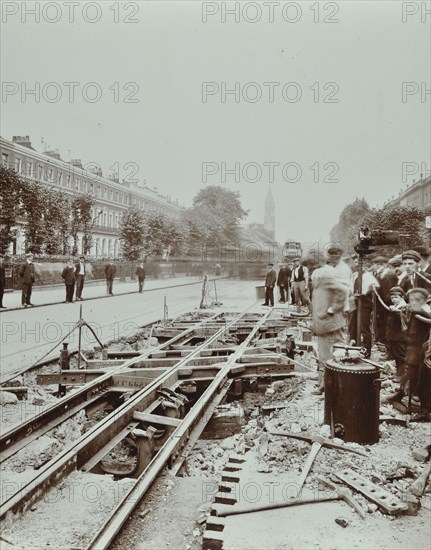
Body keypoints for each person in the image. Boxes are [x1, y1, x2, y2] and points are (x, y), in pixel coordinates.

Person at [311, 263, 349, 394]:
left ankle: (328, 385)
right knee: (330, 354)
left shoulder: (324, 274)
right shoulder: (318, 273)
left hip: (329, 324)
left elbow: (343, 291)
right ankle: (326, 383)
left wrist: (333, 309)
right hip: (325, 323)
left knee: (330, 355)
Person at [348, 255, 379, 357]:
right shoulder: (354, 275)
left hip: (365, 303)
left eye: (359, 262)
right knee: (353, 325)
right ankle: (354, 347)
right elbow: (350, 287)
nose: (357, 264)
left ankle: (365, 350)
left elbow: (374, 285)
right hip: (355, 302)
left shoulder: (367, 275)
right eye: (355, 262)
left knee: (364, 327)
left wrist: (365, 292)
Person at [385, 286, 407, 379]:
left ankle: (402, 375)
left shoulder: (404, 307)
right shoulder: (395, 307)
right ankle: (398, 373)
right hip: (393, 336)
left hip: (399, 336)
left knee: (400, 355)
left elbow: (405, 318)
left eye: (396, 297)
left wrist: (397, 311)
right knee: (395, 354)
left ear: (402, 297)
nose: (393, 299)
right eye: (392, 297)